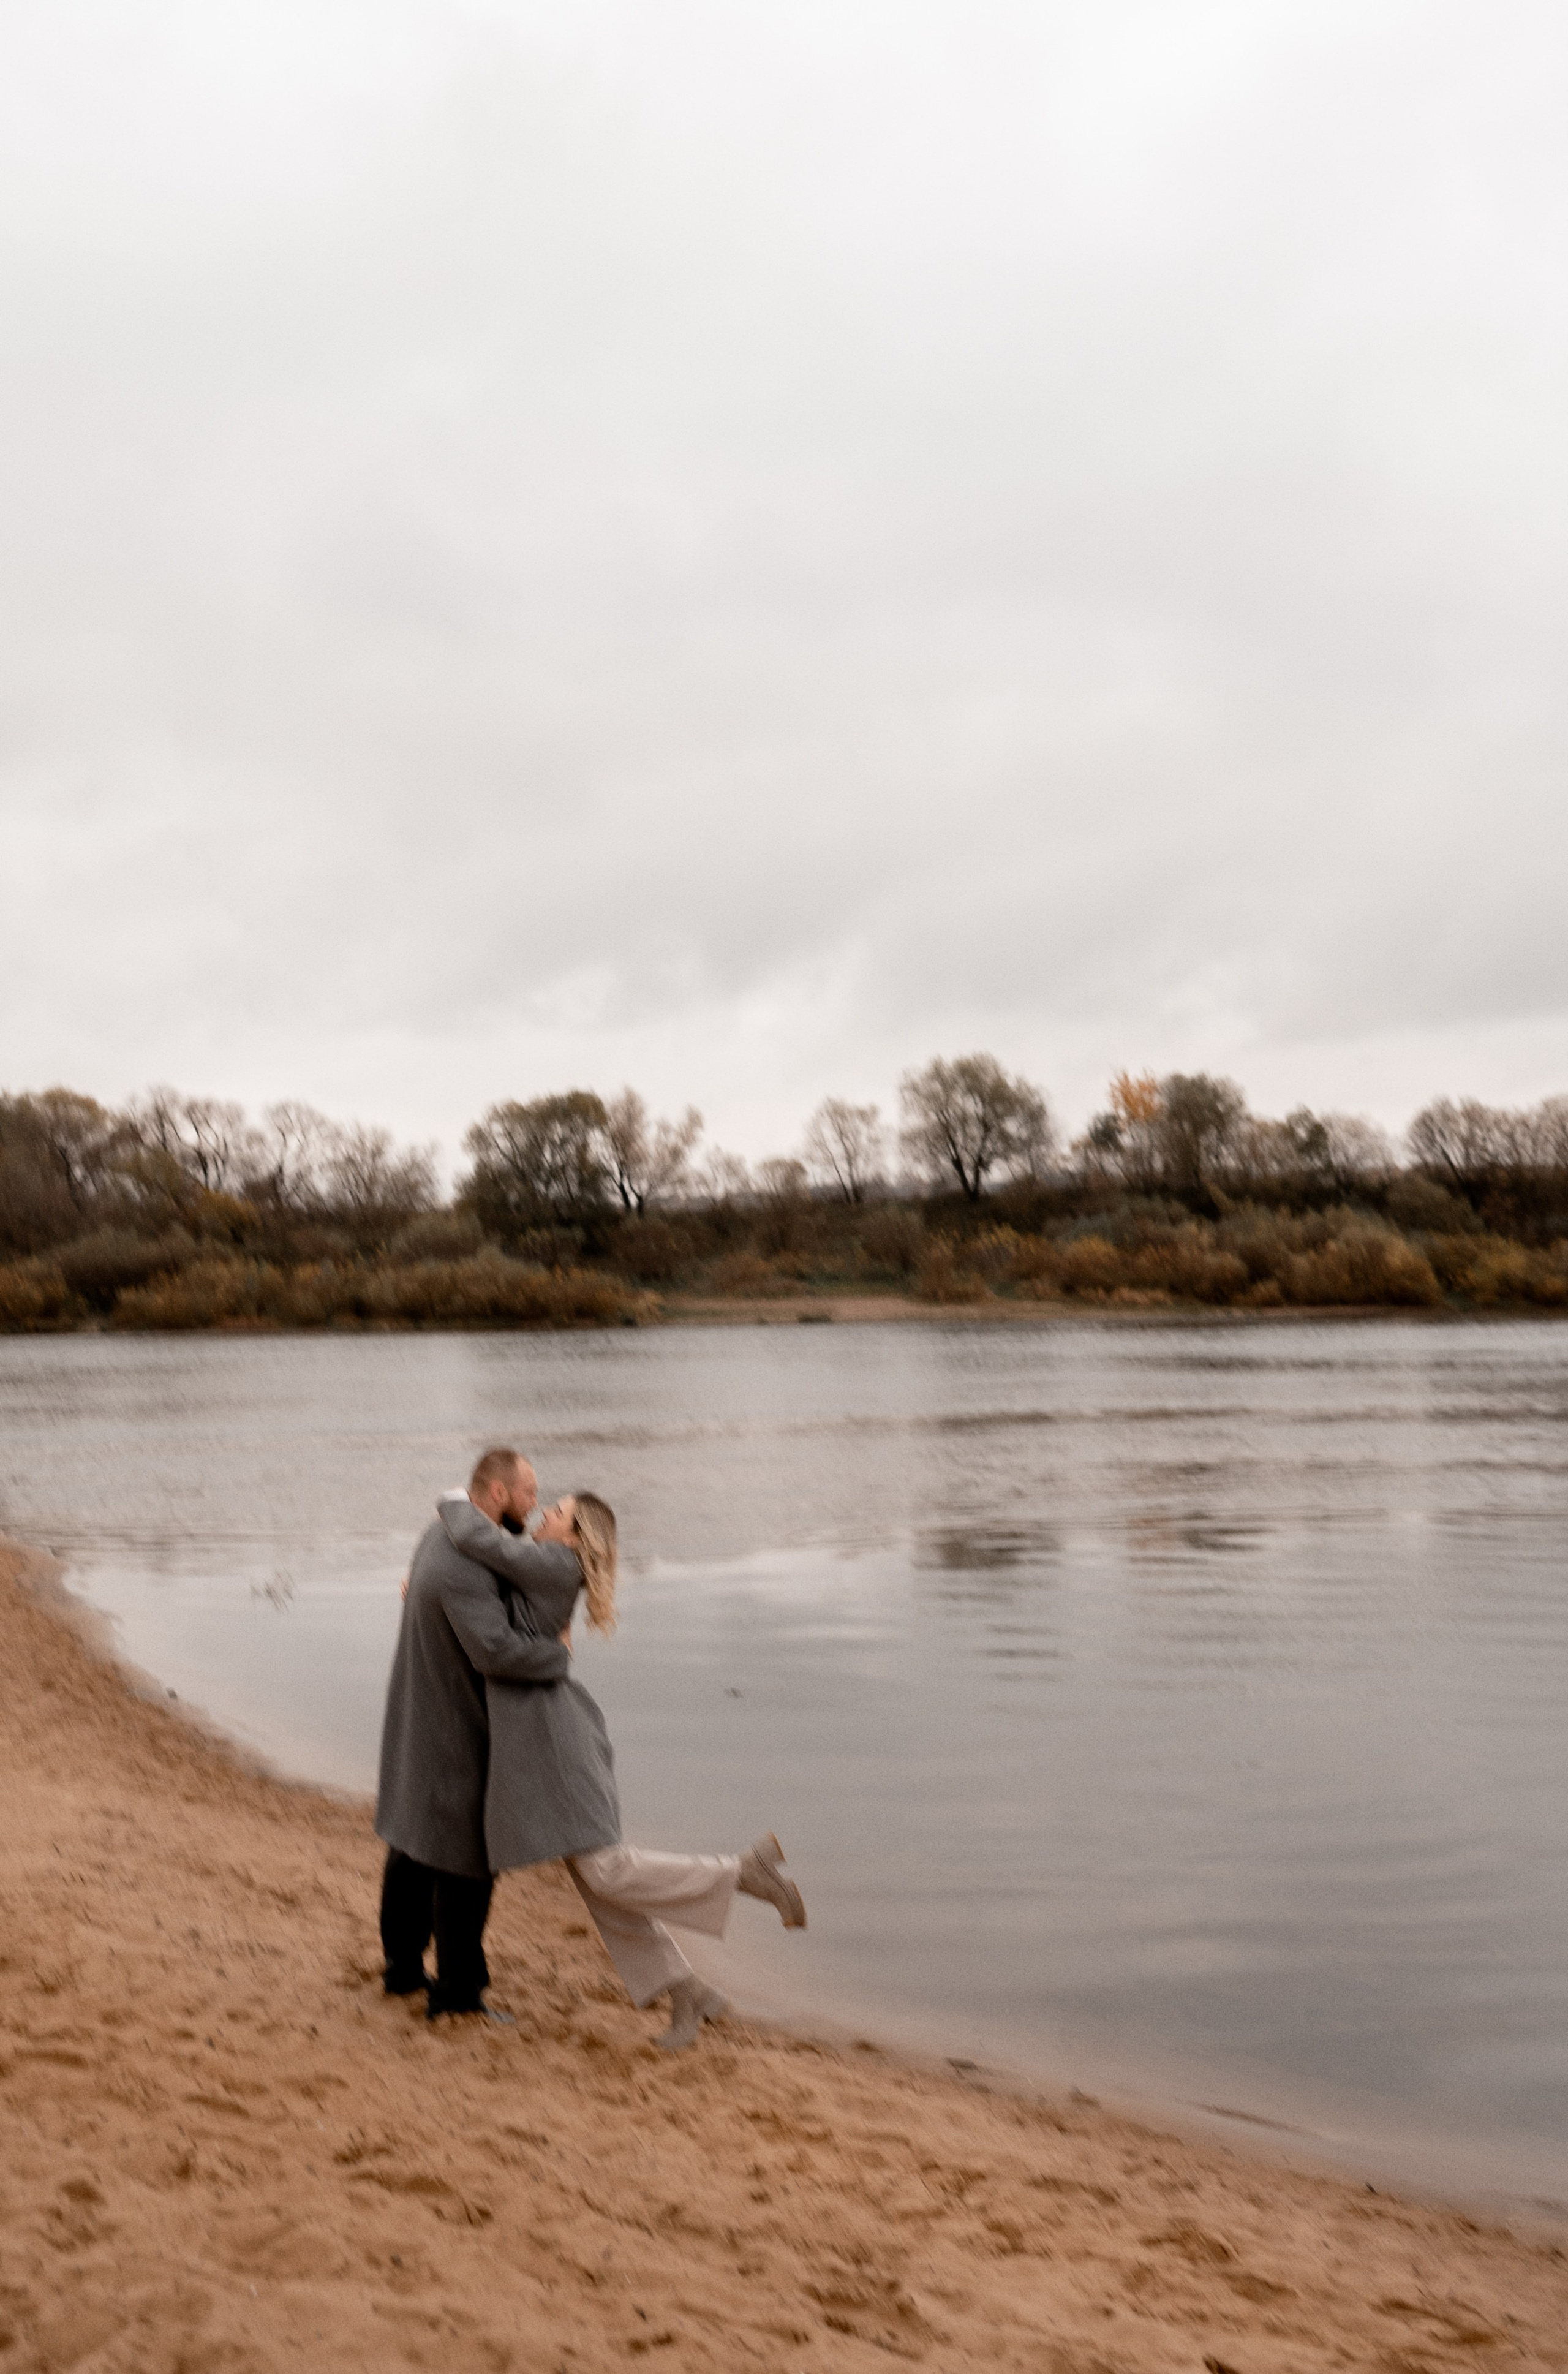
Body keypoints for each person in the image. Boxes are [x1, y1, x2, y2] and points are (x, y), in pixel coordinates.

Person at [437, 1486, 807, 2051]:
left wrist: (455, 1497)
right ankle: (688, 1992)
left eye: (555, 1512)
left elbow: (474, 1536)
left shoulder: (557, 1564)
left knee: (606, 1871)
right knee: (600, 1884)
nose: (541, 1515)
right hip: (547, 1739)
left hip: (557, 1743)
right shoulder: (550, 1567)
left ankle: (741, 1872)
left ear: (576, 1537)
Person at [375, 1447, 571, 2019]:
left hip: (420, 1705)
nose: (536, 1504)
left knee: (412, 1845)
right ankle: (457, 1993)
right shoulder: (465, 1561)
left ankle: (403, 1969)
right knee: (467, 1859)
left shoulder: (442, 1536)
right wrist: (556, 1657)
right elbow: (495, 1650)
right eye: (529, 1492)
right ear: (496, 1495)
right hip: (451, 1719)